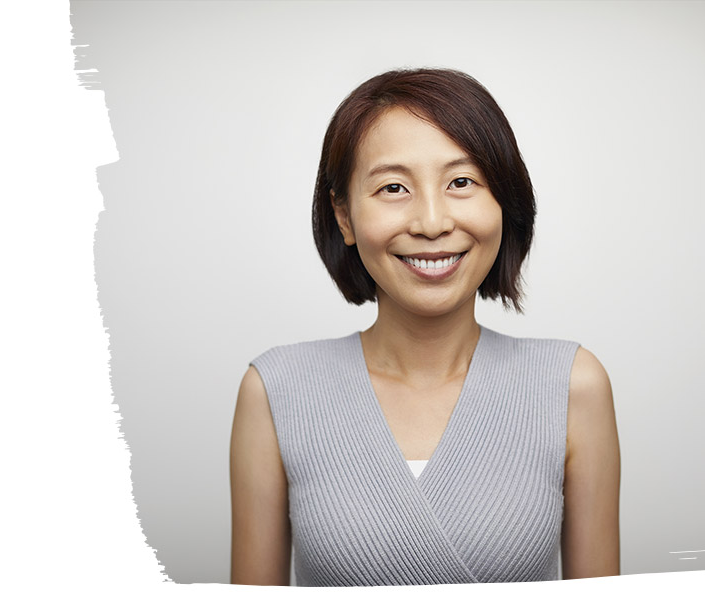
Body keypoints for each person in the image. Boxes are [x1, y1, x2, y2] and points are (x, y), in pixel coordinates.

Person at [229, 68, 620, 586]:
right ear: (343, 216)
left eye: (462, 182)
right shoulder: (275, 389)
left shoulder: (573, 385)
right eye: (393, 187)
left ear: (504, 200)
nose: (432, 222)